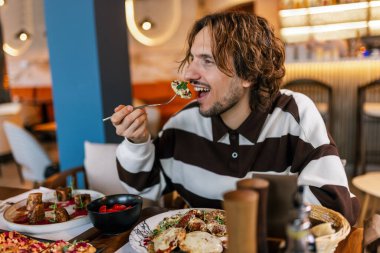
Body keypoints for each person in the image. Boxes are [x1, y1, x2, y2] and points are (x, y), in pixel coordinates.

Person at [111, 11, 359, 226]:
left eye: (207, 61)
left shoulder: (294, 115)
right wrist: (137, 141)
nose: (188, 72)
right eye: (192, 59)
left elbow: (334, 210)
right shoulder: (183, 123)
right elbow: (144, 188)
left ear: (248, 73)